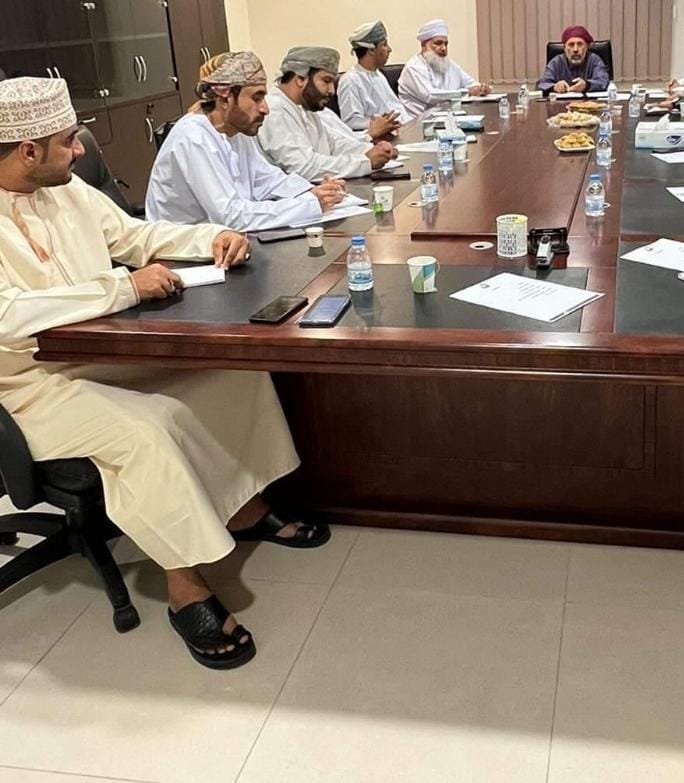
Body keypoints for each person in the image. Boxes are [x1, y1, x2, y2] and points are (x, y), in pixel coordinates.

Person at [0, 77, 329, 670]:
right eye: (68, 140)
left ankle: (242, 506)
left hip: (102, 351)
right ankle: (185, 587)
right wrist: (123, 288)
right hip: (30, 384)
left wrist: (214, 236)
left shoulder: (66, 189)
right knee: (147, 430)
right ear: (28, 150)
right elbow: (8, 316)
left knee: (233, 372)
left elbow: (136, 234)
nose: (80, 151)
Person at [146, 51, 347, 231]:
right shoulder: (193, 138)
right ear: (225, 99)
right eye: (256, 98)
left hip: (226, 241)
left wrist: (313, 191)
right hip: (184, 251)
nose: (265, 109)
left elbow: (268, 179)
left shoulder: (236, 131)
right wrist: (309, 204)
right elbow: (231, 216)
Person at [256, 46, 396, 182]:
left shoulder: (304, 108)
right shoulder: (274, 110)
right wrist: (365, 162)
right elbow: (304, 168)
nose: (331, 91)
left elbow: (333, 145)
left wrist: (374, 151)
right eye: (326, 81)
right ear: (300, 79)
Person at [398, 19, 489, 117]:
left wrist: (481, 89)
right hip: (422, 121)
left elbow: (471, 84)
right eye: (438, 43)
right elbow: (430, 95)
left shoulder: (448, 63)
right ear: (423, 45)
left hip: (449, 117)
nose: (443, 48)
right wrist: (466, 92)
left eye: (446, 44)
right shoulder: (414, 67)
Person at [336, 20, 411, 132]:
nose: (389, 49)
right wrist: (380, 124)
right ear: (371, 50)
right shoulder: (350, 80)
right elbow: (351, 122)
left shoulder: (379, 75)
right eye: (384, 45)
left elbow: (396, 109)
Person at [537, 25, 610, 94]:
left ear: (587, 47)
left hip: (589, 102)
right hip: (562, 102)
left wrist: (586, 85)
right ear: (564, 48)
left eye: (580, 44)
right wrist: (554, 87)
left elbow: (603, 82)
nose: (575, 49)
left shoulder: (594, 60)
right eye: (571, 45)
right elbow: (542, 84)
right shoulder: (556, 62)